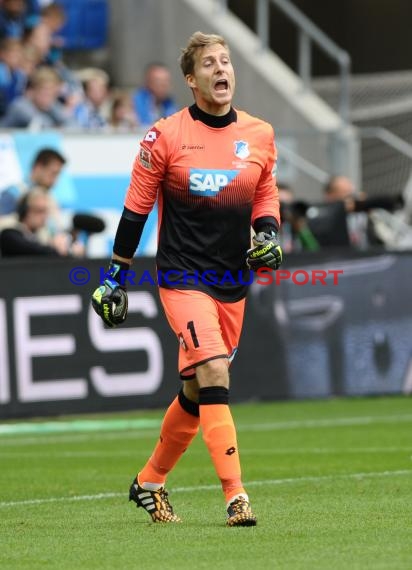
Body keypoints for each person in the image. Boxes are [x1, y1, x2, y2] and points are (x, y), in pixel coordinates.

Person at [91, 31, 283, 527]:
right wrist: (115, 276)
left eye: (226, 60)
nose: (222, 69)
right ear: (191, 79)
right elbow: (136, 210)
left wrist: (268, 233)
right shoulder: (165, 136)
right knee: (216, 371)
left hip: (232, 280)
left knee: (198, 392)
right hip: (182, 276)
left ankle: (149, 482)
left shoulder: (260, 133)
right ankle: (236, 496)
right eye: (210, 63)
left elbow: (265, 194)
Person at [0, 188, 83, 256]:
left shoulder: (44, 234)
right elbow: (28, 248)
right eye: (39, 211)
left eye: (46, 212)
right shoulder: (9, 230)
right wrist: (55, 249)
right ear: (25, 211)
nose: (44, 217)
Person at [132, 62, 178, 126]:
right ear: (148, 82)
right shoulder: (134, 103)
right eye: (158, 81)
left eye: (166, 81)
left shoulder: (169, 103)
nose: (163, 85)